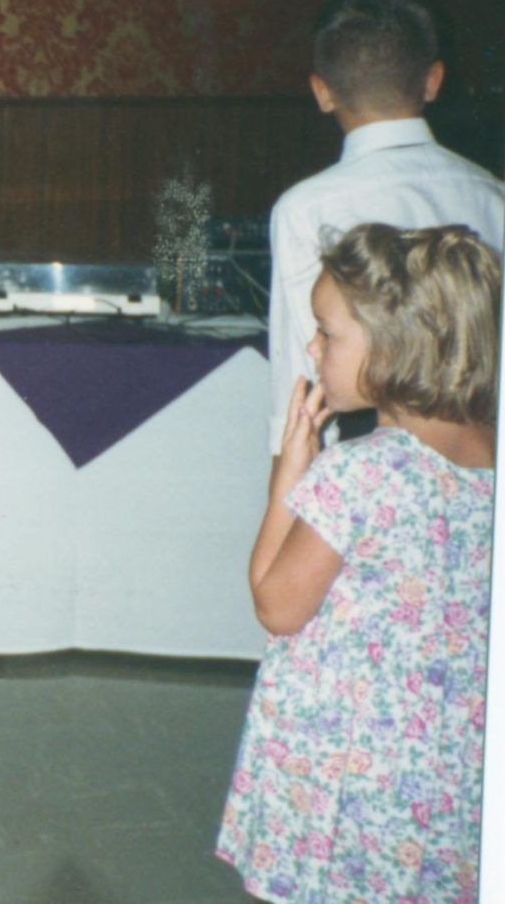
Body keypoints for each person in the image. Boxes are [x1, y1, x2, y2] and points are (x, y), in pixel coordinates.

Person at [218, 223, 498, 901]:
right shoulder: (490, 457)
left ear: (396, 345)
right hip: (447, 766)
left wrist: (290, 475)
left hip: (345, 767)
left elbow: (275, 605)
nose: (312, 349)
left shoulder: (360, 473)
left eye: (328, 333)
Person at [266, 0, 505, 457]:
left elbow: (298, 377)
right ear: (433, 80)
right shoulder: (493, 195)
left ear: (322, 91)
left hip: (368, 456)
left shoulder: (305, 207)